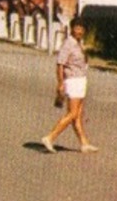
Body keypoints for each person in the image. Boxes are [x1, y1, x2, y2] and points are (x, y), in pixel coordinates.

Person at [41, 20, 97, 154]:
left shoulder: (79, 43)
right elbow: (60, 64)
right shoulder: (68, 44)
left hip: (81, 79)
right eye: (77, 28)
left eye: (82, 29)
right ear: (72, 29)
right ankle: (50, 137)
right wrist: (60, 83)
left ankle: (84, 144)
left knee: (77, 115)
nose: (79, 31)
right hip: (73, 81)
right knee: (72, 113)